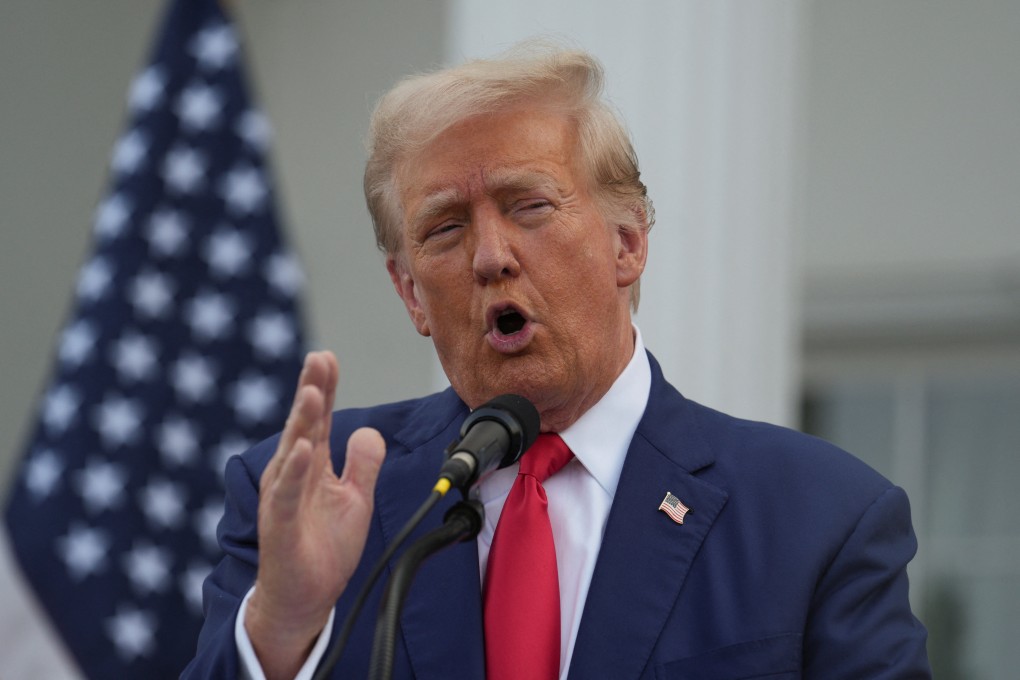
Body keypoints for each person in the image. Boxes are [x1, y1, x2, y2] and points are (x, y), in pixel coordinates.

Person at [184, 45, 931, 679]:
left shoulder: (816, 517)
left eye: (529, 206)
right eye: (444, 229)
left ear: (627, 245)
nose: (489, 256)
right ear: (411, 292)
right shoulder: (316, 493)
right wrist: (282, 632)